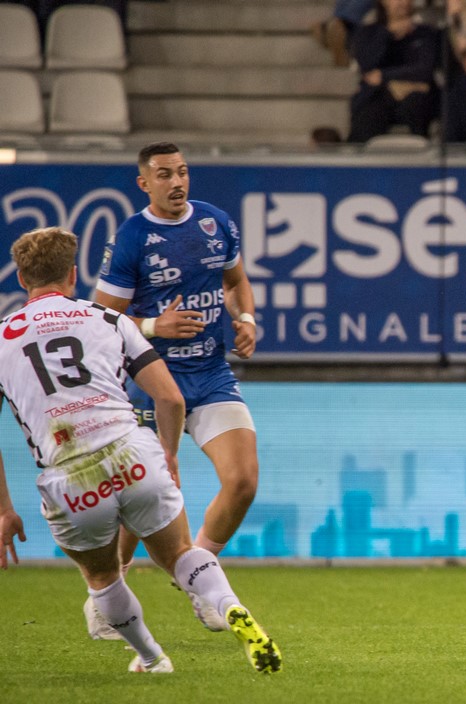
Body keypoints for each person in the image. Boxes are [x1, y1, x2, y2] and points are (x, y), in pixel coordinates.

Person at [0, 226, 281, 674]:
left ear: (21, 279)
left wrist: (5, 510)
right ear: (73, 276)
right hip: (132, 451)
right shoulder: (107, 319)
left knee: (102, 576)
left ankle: (152, 658)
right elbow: (170, 398)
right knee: (180, 554)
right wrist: (166, 454)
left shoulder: (2, 337)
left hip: (69, 475)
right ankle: (228, 605)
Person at [89, 141, 259, 639]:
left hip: (210, 374)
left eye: (182, 172)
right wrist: (154, 326)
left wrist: (244, 317)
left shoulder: (215, 222)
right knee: (138, 502)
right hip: (150, 382)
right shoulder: (132, 237)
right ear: (144, 183)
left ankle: (200, 579)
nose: (177, 182)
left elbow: (236, 281)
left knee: (244, 480)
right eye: (164, 174)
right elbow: (103, 320)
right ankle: (108, 595)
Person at [347, 0, 439, 141]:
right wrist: (388, 33)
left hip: (416, 96)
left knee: (417, 105)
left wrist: (384, 75)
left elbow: (424, 69)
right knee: (367, 114)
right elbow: (367, 66)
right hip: (379, 96)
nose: (402, 2)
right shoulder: (368, 32)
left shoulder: (425, 33)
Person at [310, 0, 376, 67]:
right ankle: (334, 34)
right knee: (320, 27)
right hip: (343, 23)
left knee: (335, 25)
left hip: (353, 26)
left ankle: (336, 34)